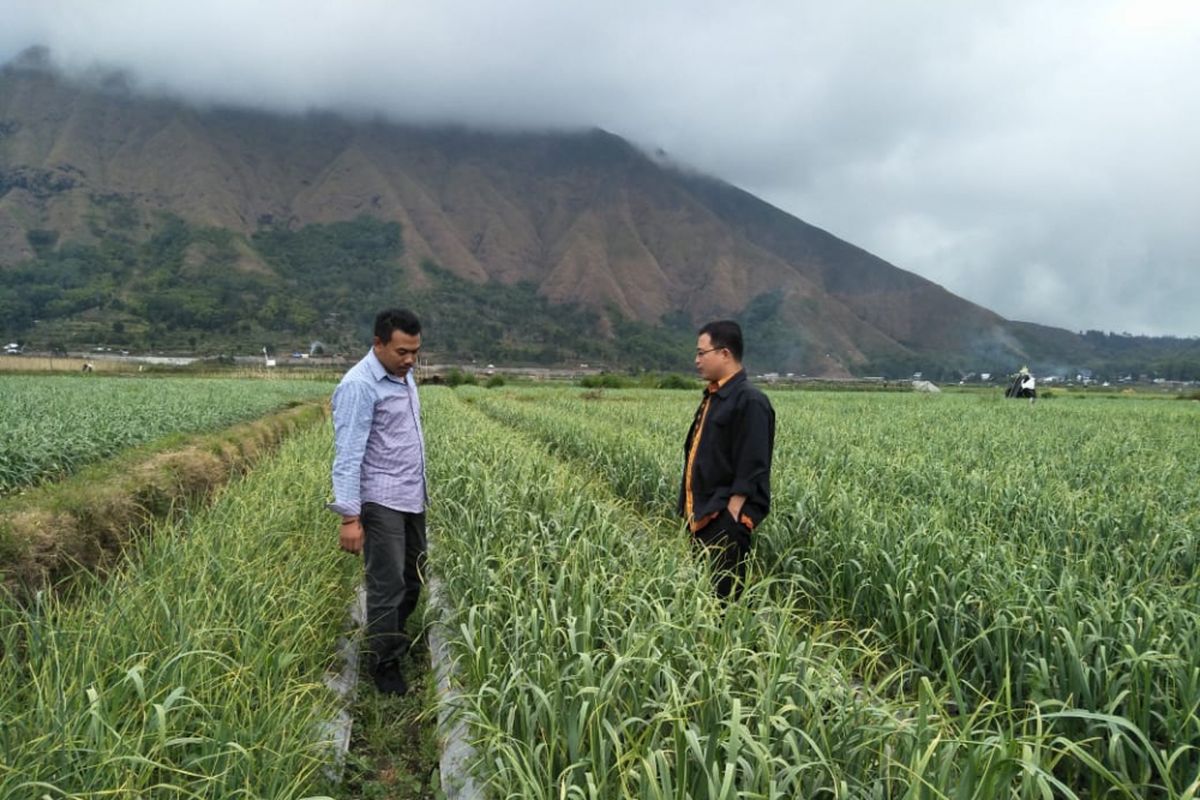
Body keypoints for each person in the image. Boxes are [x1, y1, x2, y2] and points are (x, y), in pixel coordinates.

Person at [328, 308, 426, 695]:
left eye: (415, 352)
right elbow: (348, 454)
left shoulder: (403, 376)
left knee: (414, 576)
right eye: (402, 351)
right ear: (378, 344)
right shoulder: (359, 385)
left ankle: (393, 637)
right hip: (381, 500)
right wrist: (350, 517)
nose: (410, 360)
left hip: (412, 495)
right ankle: (383, 665)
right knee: (386, 585)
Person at [678, 320, 776, 600]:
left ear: (724, 354)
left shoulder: (750, 400)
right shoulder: (716, 396)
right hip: (703, 516)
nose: (696, 360)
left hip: (723, 519)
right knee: (703, 600)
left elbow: (754, 462)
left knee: (724, 605)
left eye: (701, 353)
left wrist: (732, 514)